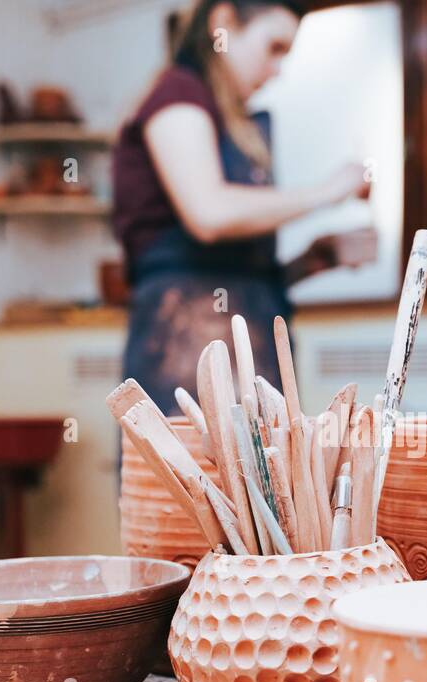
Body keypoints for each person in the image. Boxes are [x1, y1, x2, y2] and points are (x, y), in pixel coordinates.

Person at [112, 0, 374, 410]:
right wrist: (328, 190)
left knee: (263, 474)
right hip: (184, 351)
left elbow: (234, 274)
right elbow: (209, 214)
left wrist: (309, 261)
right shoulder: (176, 94)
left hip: (253, 361)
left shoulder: (236, 123)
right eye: (274, 47)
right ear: (223, 23)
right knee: (189, 474)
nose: (277, 69)